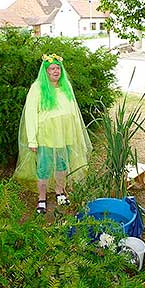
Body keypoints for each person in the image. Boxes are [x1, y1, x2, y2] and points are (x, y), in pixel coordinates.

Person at [13, 54, 92, 214]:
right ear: (45, 71)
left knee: (62, 165)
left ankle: (60, 192)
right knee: (44, 167)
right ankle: (42, 198)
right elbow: (30, 114)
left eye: (58, 68)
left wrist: (76, 132)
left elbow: (73, 110)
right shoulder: (37, 88)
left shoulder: (66, 86)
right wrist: (32, 140)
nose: (56, 71)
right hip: (47, 136)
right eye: (52, 69)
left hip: (65, 134)